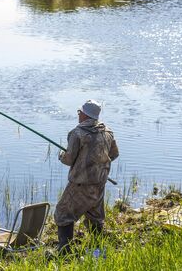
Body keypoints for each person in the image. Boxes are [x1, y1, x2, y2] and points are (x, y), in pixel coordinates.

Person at [54, 100, 119, 254]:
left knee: (63, 214)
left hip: (80, 184)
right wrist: (97, 163)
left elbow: (69, 159)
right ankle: (98, 251)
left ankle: (65, 252)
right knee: (95, 217)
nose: (78, 114)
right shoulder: (108, 132)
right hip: (99, 183)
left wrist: (61, 156)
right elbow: (114, 154)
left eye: (79, 112)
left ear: (84, 115)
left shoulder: (77, 133)